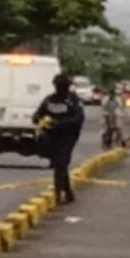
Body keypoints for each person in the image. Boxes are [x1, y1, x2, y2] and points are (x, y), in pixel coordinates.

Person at [33, 73, 84, 204]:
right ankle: (68, 192)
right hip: (52, 136)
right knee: (59, 164)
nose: (60, 89)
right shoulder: (49, 100)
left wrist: (61, 124)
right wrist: (42, 121)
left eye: (63, 86)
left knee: (61, 162)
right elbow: (37, 115)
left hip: (68, 136)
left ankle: (57, 195)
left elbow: (78, 119)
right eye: (58, 86)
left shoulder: (73, 100)